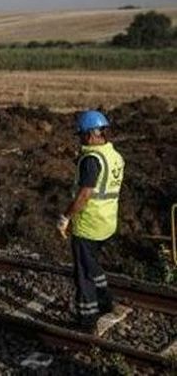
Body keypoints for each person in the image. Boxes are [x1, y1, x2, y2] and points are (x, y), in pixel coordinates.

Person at [57, 110, 125, 332]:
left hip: (89, 224)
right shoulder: (114, 155)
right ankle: (105, 303)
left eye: (82, 135)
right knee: (93, 264)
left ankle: (87, 320)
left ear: (91, 134)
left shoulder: (92, 160)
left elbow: (85, 195)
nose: (81, 140)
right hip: (107, 221)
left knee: (84, 273)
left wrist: (65, 217)